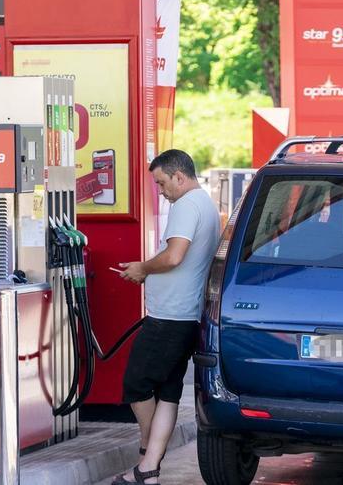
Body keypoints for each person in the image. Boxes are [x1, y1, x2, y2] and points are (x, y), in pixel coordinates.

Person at [112, 149, 220, 485]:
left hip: (170, 317)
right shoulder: (206, 205)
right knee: (169, 391)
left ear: (179, 176)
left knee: (136, 385)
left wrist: (143, 269)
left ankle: (148, 448)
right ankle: (149, 471)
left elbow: (174, 257)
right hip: (186, 316)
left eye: (161, 183)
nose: (161, 191)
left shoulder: (186, 205)